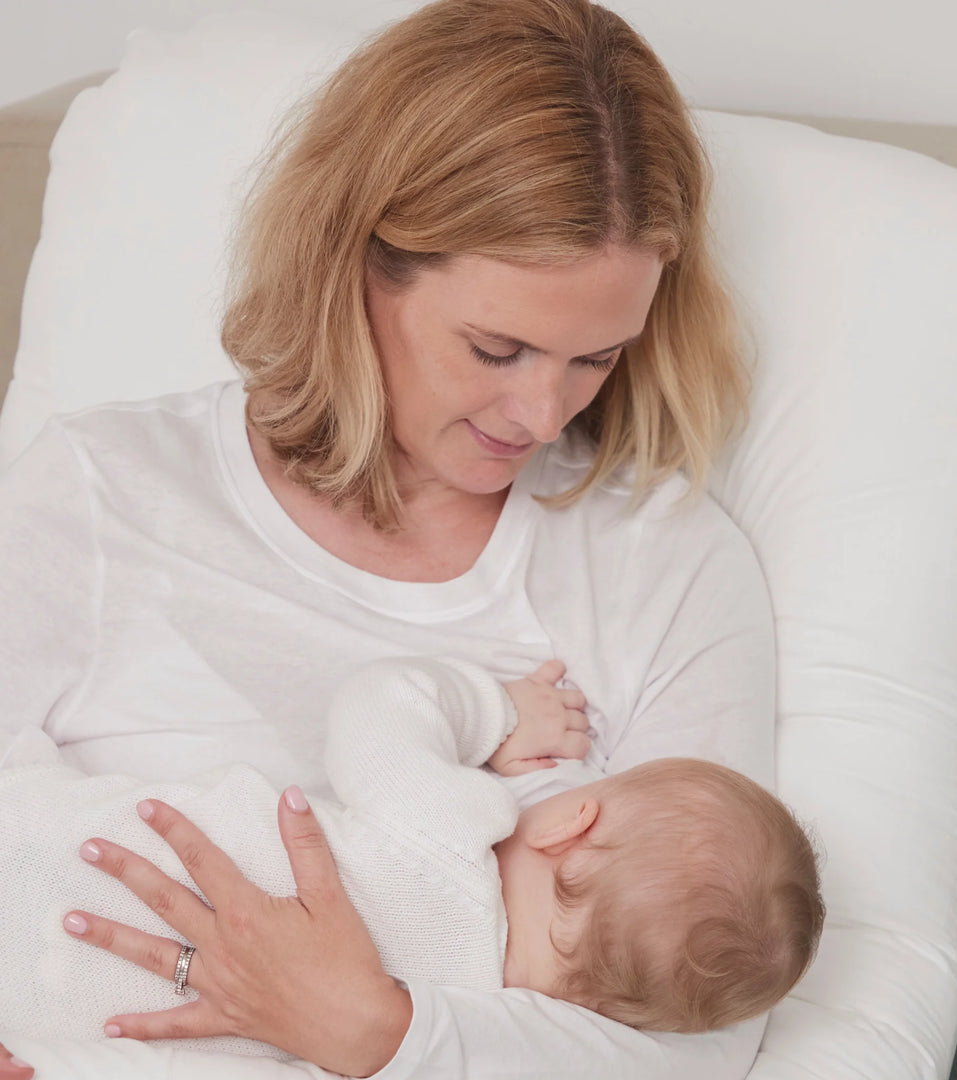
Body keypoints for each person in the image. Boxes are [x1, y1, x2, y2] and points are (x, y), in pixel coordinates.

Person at [0, 0, 778, 1077]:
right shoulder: (100, 493)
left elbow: (705, 1040)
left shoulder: (661, 566)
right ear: (356, 267)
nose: (543, 414)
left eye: (596, 358)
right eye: (497, 347)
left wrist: (382, 1035)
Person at [0, 658, 822, 1053]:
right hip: (57, 1022)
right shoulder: (458, 1031)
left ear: (571, 823)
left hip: (51, 839)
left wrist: (500, 711)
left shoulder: (457, 827)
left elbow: (379, 707)